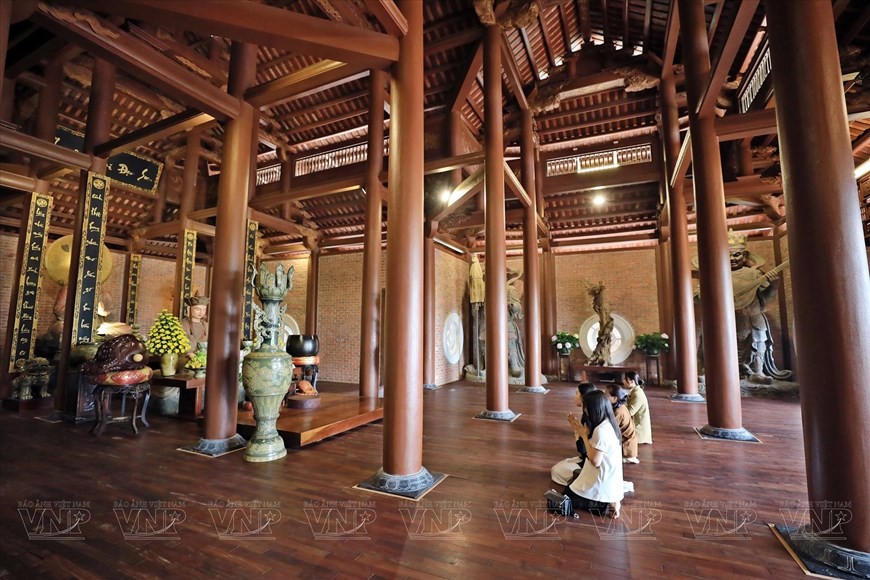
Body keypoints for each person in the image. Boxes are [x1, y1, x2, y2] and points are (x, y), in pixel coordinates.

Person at [727, 230, 792, 383]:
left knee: (759, 339)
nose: (732, 259)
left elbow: (766, 299)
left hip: (753, 315)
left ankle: (758, 372)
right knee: (728, 343)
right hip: (729, 318)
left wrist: (774, 286)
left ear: (744, 255)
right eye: (729, 255)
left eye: (737, 255)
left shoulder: (754, 274)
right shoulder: (720, 273)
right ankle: (731, 371)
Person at [564, 389, 624, 518]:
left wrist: (584, 436)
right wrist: (579, 431)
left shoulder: (601, 430)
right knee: (573, 481)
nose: (585, 412)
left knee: (566, 497)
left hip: (601, 485)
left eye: (586, 409)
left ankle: (601, 506)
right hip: (610, 482)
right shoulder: (609, 423)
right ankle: (609, 501)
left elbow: (595, 461)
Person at [551, 383, 598, 485]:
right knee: (564, 464)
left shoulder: (588, 417)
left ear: (583, 397)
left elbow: (582, 449)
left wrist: (577, 434)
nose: (574, 396)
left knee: (556, 470)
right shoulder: (591, 413)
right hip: (592, 457)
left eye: (576, 393)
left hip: (592, 460)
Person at [606, 384, 639, 463]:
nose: (604, 397)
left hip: (626, 446)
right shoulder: (621, 406)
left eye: (606, 395)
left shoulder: (618, 412)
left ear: (615, 398)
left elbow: (609, 429)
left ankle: (627, 457)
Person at [625, 371, 652, 445]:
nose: (623, 381)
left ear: (632, 381)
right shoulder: (635, 391)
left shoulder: (637, 394)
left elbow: (629, 412)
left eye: (625, 379)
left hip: (639, 430)